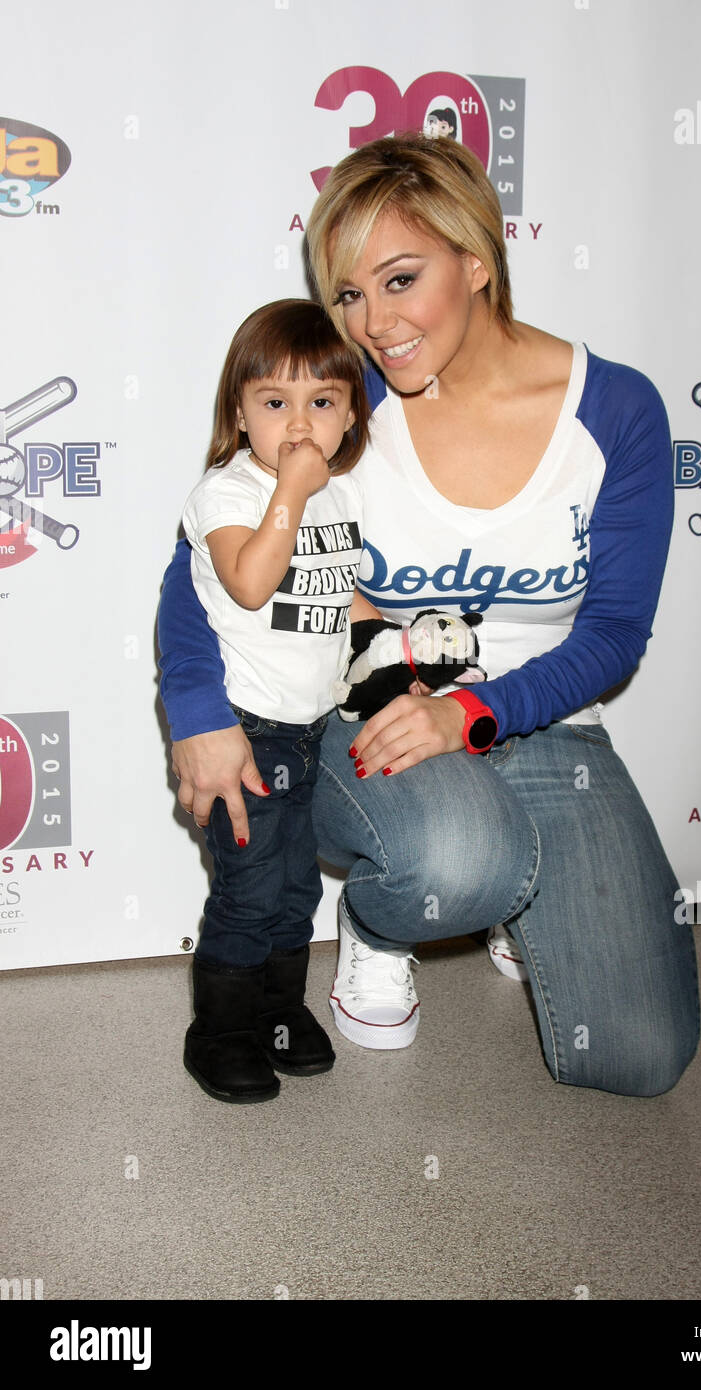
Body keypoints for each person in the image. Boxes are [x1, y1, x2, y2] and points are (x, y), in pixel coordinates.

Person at [159, 134, 700, 1095]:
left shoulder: (615, 411)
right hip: (365, 715)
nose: (375, 324)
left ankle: (521, 894)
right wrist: (199, 709)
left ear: (478, 257)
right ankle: (384, 921)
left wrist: (475, 713)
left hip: (548, 726)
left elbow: (615, 633)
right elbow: (202, 566)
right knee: (455, 862)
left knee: (640, 1057)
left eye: (401, 280)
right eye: (350, 295)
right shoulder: (340, 400)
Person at [174, 298, 377, 1103]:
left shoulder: (343, 496)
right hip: (247, 731)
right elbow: (254, 582)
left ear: (350, 412)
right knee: (249, 890)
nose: (300, 425)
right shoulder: (224, 495)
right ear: (239, 411)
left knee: (296, 888)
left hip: (312, 729)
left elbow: (341, 595)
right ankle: (218, 1034)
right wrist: (291, 485)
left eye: (322, 403)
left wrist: (397, 643)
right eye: (275, 403)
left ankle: (280, 1016)